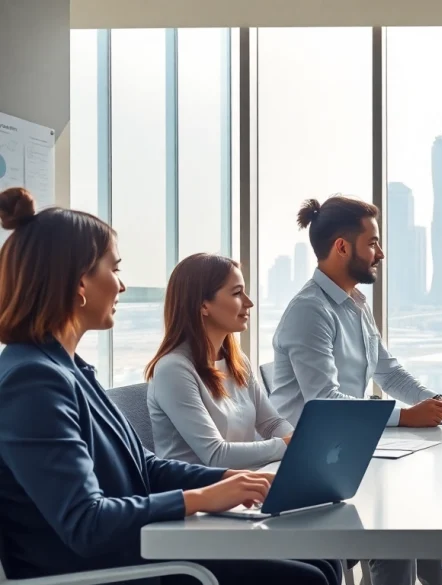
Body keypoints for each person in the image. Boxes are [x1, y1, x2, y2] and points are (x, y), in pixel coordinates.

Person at [0, 188, 340, 585]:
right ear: (79, 284)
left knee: (323, 560)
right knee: (307, 577)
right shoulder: (32, 382)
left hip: (139, 549)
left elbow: (144, 468)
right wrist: (199, 499)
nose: (122, 286)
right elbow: (85, 522)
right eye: (115, 269)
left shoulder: (69, 369)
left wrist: (230, 480)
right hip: (108, 572)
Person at [269, 194, 442, 585]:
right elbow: (324, 402)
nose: (381, 253)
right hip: (311, 462)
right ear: (342, 247)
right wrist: (406, 417)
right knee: (396, 543)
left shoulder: (355, 304)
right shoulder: (311, 311)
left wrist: (436, 402)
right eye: (373, 243)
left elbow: (387, 371)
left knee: (421, 542)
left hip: (348, 449)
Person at [146, 253, 294, 470]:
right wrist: (286, 446)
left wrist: (300, 443)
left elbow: (271, 423)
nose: (249, 302)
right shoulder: (173, 370)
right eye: (237, 293)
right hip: (200, 496)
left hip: (243, 486)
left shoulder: (238, 362)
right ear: (203, 305)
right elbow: (216, 455)